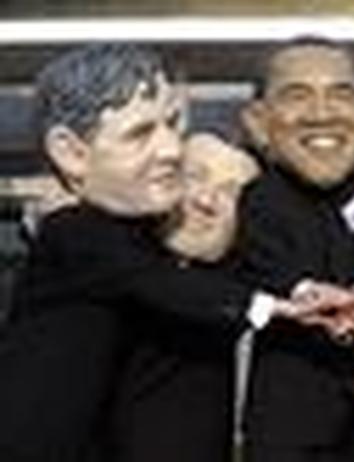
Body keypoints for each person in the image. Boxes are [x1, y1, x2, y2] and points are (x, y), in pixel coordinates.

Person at [0, 44, 307, 462]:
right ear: (71, 152)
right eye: (140, 133)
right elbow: (145, 278)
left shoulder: (203, 275)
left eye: (174, 126)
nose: (170, 150)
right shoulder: (83, 235)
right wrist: (271, 306)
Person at [236, 37, 354, 462]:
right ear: (258, 121)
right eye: (296, 95)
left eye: (341, 93)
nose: (321, 114)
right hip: (285, 415)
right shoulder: (256, 200)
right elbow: (263, 264)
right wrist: (314, 296)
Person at [110, 132, 259, 462]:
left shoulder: (240, 290)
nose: (206, 200)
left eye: (231, 192)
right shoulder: (99, 262)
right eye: (195, 177)